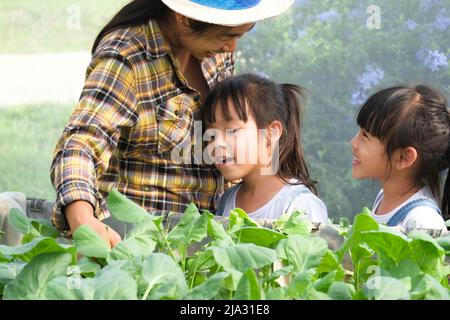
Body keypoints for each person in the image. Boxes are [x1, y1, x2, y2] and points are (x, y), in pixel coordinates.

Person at [50, 0, 295, 247]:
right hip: (136, 243)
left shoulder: (214, 54)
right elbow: (81, 143)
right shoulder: (127, 57)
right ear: (184, 17)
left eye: (240, 35)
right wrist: (83, 220)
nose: (231, 48)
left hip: (200, 242)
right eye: (227, 35)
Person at [202, 73, 328, 223]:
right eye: (211, 134)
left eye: (232, 131)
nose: (216, 143)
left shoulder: (300, 205)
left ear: (271, 133)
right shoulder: (227, 200)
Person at [351, 85, 450, 232]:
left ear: (405, 157)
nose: (353, 142)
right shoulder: (384, 196)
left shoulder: (422, 221)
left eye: (365, 135)